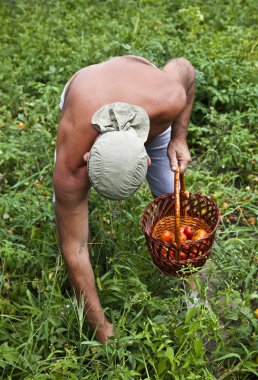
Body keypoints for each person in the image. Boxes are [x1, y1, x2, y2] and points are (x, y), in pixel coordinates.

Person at [53, 55, 195, 343]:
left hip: (145, 99)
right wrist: (101, 329)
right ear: (87, 158)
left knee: (173, 200)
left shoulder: (167, 97)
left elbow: (185, 68)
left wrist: (178, 138)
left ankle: (192, 290)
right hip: (85, 92)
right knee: (68, 222)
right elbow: (74, 247)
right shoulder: (72, 167)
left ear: (146, 161)